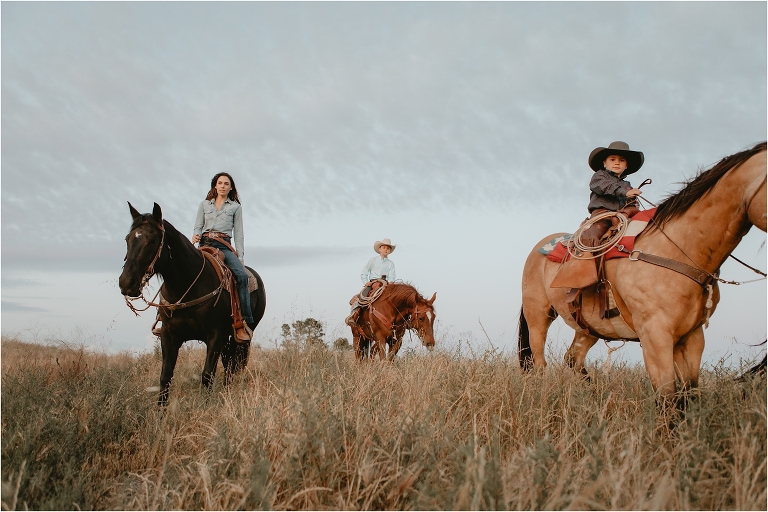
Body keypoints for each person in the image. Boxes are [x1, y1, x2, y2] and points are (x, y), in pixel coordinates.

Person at [191, 172, 253, 342]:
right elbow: (198, 226)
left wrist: (240, 257)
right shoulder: (204, 205)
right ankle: (162, 316)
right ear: (215, 186)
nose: (223, 186)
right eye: (220, 183)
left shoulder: (235, 208)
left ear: (231, 187)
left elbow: (239, 234)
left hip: (224, 246)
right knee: (178, 267)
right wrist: (195, 235)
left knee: (241, 276)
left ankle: (243, 321)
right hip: (204, 244)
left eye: (226, 183)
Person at [582, 141, 645, 247]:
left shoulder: (627, 184)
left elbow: (631, 204)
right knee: (593, 238)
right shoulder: (600, 176)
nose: (617, 163)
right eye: (612, 159)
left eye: (622, 160)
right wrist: (625, 193)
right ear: (604, 163)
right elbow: (605, 186)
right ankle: (583, 260)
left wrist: (632, 202)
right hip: (602, 216)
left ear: (626, 165)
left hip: (623, 218)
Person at [345, 238, 397, 327]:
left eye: (388, 248)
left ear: (389, 251)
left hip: (386, 284)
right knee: (362, 297)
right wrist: (366, 282)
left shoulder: (391, 264)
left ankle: (400, 320)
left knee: (396, 299)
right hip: (373, 283)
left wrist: (391, 282)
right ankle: (353, 315)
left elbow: (392, 276)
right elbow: (364, 273)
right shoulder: (373, 260)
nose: (386, 249)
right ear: (379, 249)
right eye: (384, 247)